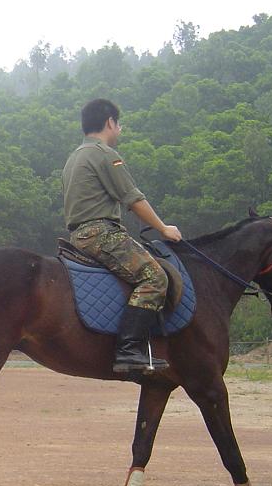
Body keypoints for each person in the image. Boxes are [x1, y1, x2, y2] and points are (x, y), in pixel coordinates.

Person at [62, 98, 183, 373]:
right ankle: (128, 350)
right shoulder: (104, 154)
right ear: (109, 123)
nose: (120, 130)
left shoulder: (74, 157)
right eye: (119, 124)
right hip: (100, 233)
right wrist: (164, 228)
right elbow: (133, 198)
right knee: (155, 277)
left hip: (78, 234)